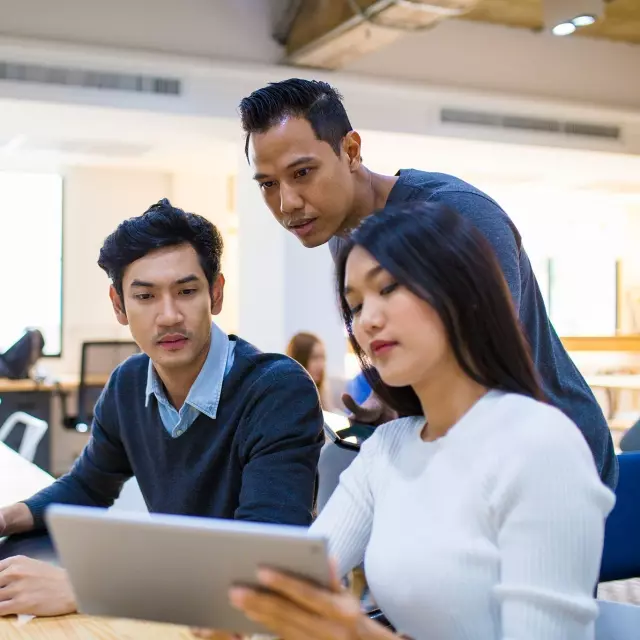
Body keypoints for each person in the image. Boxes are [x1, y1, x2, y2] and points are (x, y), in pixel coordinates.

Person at [194, 202, 615, 640]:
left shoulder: (541, 445)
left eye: (389, 288)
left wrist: (358, 635)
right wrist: (248, 621)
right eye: (354, 306)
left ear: (462, 292)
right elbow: (304, 579)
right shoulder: (388, 448)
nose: (367, 321)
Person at [238, 77, 618, 489]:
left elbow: (479, 362)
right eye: (268, 184)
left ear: (350, 151)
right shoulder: (343, 238)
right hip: (460, 456)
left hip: (552, 459)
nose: (286, 203)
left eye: (303, 173)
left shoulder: (459, 215)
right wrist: (387, 401)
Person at [0, 199, 324, 618]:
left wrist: (88, 588)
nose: (168, 316)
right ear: (119, 306)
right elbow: (87, 486)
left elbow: (265, 559)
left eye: (187, 292)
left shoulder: (277, 390)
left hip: (257, 619)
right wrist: (9, 517)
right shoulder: (128, 384)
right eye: (146, 296)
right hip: (179, 613)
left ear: (216, 293)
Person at [286, 331, 334, 410]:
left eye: (323, 357)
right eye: (314, 357)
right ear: (299, 360)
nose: (321, 365)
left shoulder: (322, 392)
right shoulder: (288, 398)